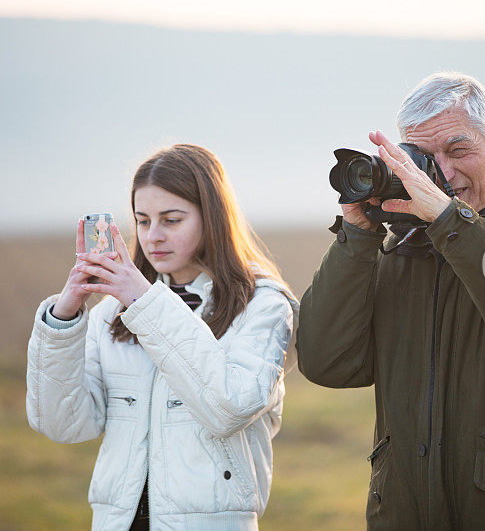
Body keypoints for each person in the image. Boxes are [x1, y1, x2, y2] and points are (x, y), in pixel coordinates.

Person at [296, 72, 485, 530]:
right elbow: (327, 363)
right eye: (424, 158)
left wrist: (449, 220)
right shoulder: (400, 252)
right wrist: (356, 236)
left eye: (458, 150)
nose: (442, 173)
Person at [26, 144, 298, 530]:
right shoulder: (113, 312)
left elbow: (229, 408)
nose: (153, 236)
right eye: (142, 221)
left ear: (213, 218)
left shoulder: (262, 306)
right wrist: (64, 318)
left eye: (171, 220)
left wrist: (144, 302)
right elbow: (63, 424)